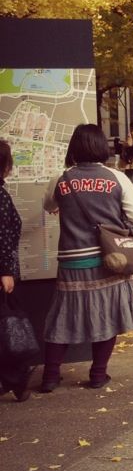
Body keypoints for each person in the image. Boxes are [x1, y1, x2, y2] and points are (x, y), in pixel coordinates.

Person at [40, 123, 133, 393]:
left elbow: (48, 205)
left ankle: (50, 376)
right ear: (102, 146)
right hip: (109, 259)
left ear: (74, 148)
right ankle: (98, 374)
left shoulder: (62, 178)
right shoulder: (117, 178)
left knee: (62, 317)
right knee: (107, 315)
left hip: (71, 262)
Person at [0, 138, 32, 401]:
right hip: (3, 272)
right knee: (7, 326)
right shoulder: (0, 195)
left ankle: (15, 376)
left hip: (4, 271)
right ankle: (16, 376)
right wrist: (6, 271)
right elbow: (3, 236)